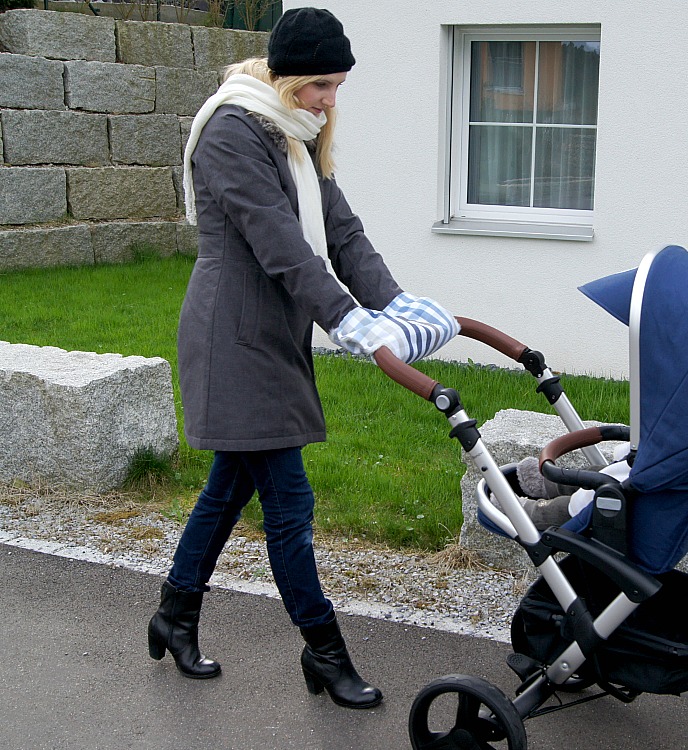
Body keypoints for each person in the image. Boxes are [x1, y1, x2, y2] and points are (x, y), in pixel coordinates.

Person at [147, 7, 458, 710]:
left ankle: (174, 612)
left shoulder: (296, 134)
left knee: (229, 488)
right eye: (320, 85)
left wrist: (401, 307)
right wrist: (349, 319)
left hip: (270, 334)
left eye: (338, 86)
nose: (329, 101)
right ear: (286, 79)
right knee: (289, 503)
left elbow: (341, 234)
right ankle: (325, 652)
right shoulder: (232, 132)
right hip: (234, 338)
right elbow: (279, 242)